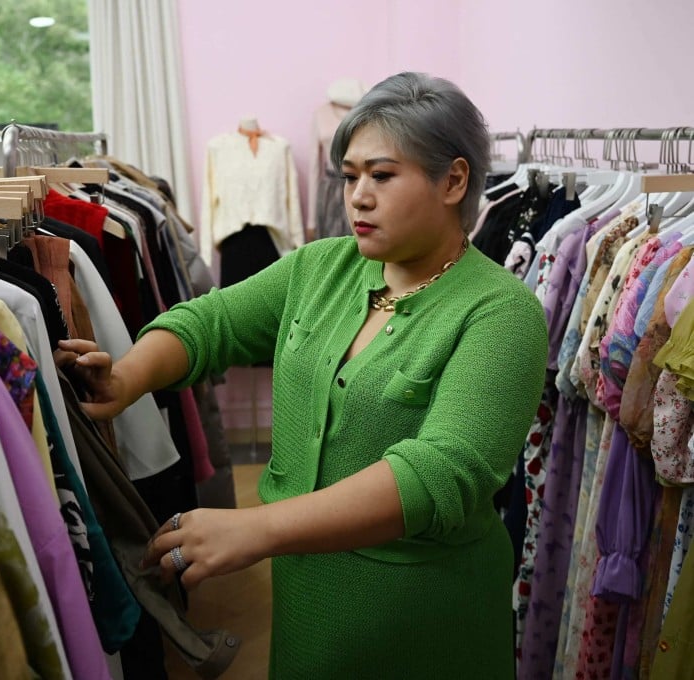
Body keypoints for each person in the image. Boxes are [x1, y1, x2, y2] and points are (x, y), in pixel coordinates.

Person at [57, 72, 548, 678]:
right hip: (309, 610)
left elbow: (442, 472)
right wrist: (126, 378)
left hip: (425, 621)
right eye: (349, 176)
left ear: (453, 180)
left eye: (382, 175)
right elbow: (210, 324)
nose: (358, 197)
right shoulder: (321, 269)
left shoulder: (501, 312)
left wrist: (259, 528)